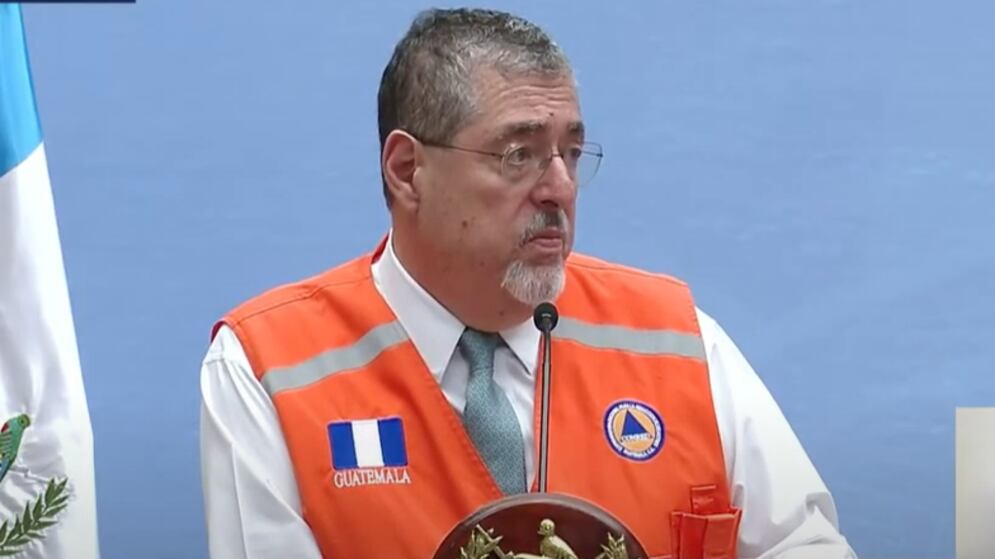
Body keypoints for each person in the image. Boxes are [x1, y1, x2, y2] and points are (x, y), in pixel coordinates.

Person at [199, 8, 856, 559]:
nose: (559, 189)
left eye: (570, 152)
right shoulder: (270, 367)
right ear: (406, 171)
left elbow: (806, 543)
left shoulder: (673, 338)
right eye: (518, 154)